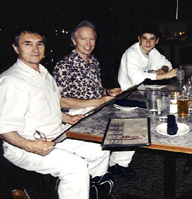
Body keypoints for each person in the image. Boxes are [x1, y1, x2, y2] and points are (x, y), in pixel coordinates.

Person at [0, 28, 110, 199]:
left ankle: (90, 190)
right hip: (25, 146)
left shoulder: (43, 72)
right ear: (16, 48)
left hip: (56, 134)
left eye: (39, 44)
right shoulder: (11, 81)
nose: (35, 49)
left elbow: (49, 105)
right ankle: (76, 187)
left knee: (100, 147)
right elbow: (4, 128)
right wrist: (30, 145)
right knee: (76, 166)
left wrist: (69, 117)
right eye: (28, 44)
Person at [53, 20, 138, 178]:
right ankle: (95, 182)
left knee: (132, 121)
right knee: (111, 133)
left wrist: (107, 91)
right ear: (74, 41)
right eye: (83, 39)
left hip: (96, 107)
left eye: (92, 39)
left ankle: (118, 163)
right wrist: (98, 101)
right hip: (73, 113)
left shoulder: (93, 61)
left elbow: (94, 90)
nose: (88, 43)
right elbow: (60, 101)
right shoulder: (63, 65)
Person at [118, 22, 178, 91]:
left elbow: (166, 64)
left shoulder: (152, 51)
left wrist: (163, 70)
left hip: (145, 90)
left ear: (157, 41)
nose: (148, 42)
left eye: (152, 39)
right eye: (145, 38)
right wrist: (164, 75)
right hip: (129, 94)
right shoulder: (131, 53)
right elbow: (136, 79)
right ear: (139, 39)